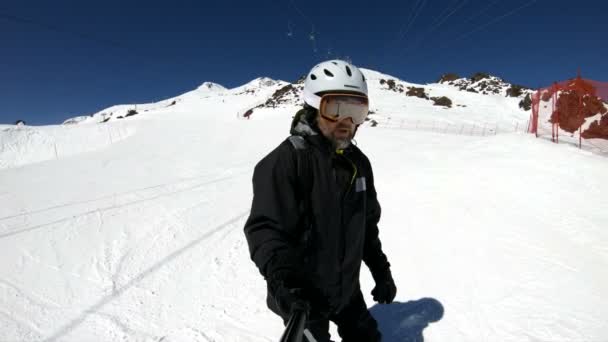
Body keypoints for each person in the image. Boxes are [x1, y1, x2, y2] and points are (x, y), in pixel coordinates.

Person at [244, 60, 396, 342]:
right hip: (305, 297)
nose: (346, 122)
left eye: (356, 111)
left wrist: (381, 272)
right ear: (314, 108)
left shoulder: (359, 163)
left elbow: (366, 226)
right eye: (336, 108)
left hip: (348, 291)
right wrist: (287, 287)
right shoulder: (286, 161)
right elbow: (266, 231)